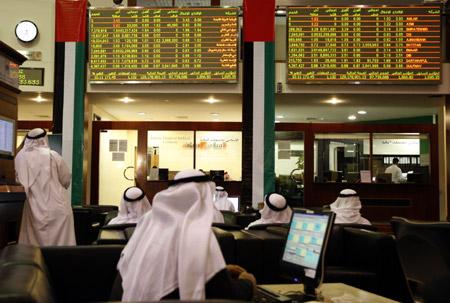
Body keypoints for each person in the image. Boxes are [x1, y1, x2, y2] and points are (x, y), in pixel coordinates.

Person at [117, 169, 255, 301]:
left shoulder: (148, 223)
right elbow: (225, 294)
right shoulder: (198, 235)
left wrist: (222, 271)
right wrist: (247, 281)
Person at [14, 128, 76, 246]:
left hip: (33, 209)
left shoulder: (20, 158)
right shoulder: (53, 156)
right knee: (60, 252)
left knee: (34, 252)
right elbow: (66, 180)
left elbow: (19, 181)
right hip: (57, 210)